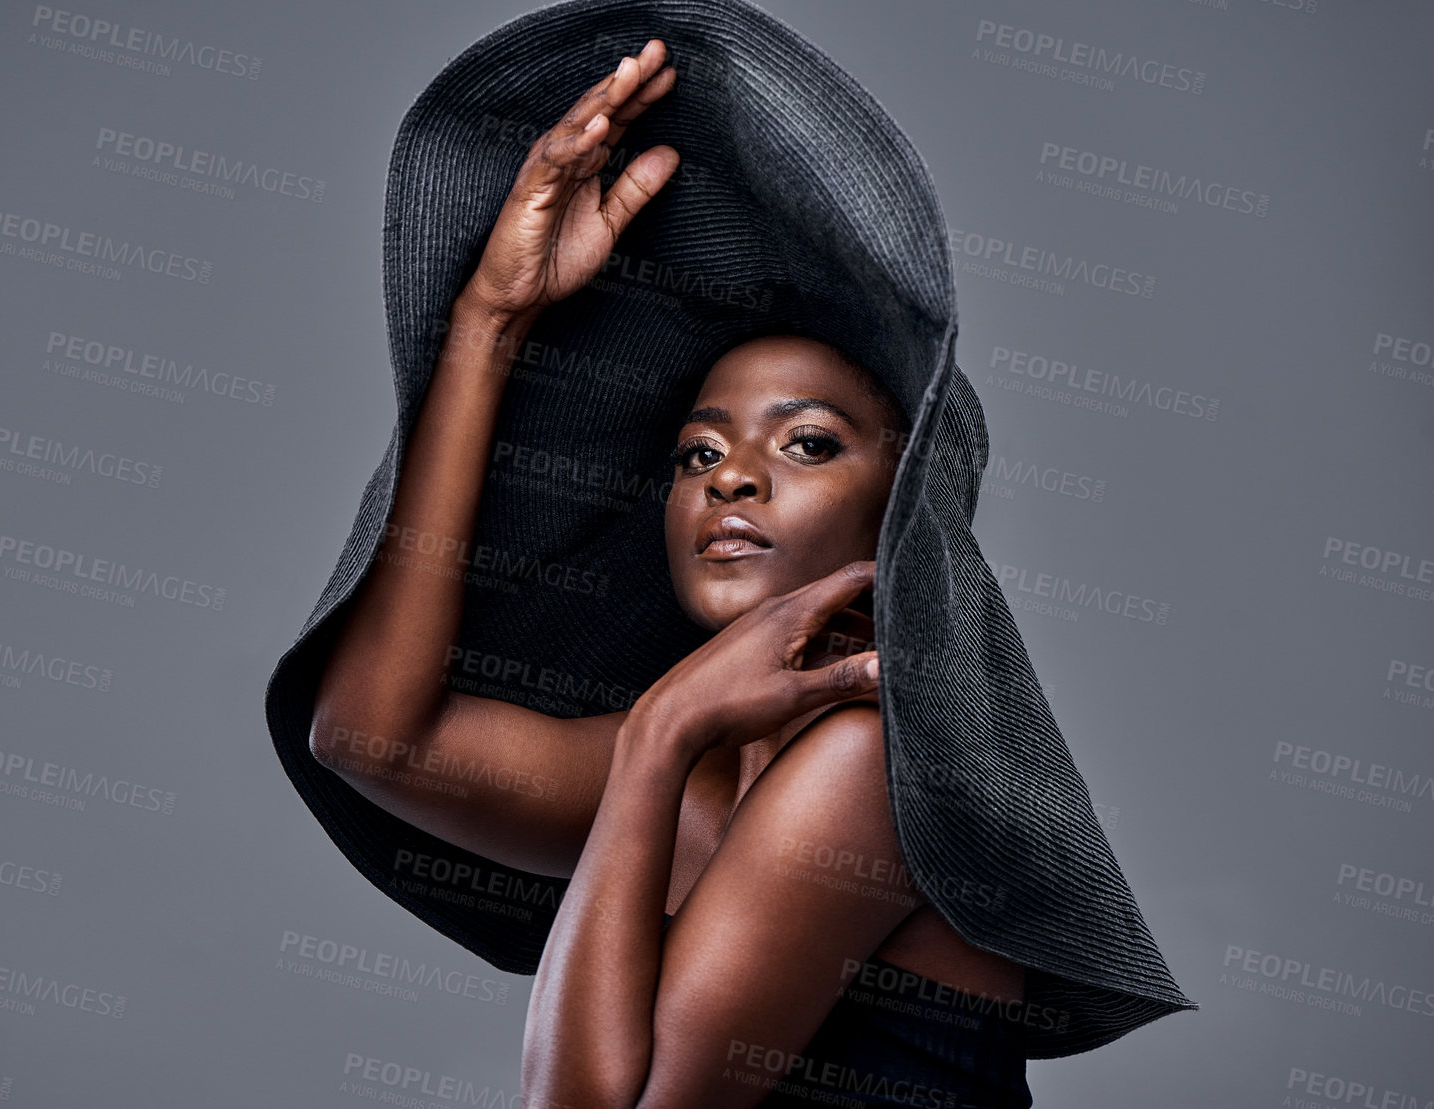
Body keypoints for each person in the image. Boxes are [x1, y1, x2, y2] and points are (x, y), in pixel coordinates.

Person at [309, 39, 1035, 1109]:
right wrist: (490, 320)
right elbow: (370, 736)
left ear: (901, 515)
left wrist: (656, 731)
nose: (731, 476)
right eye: (698, 454)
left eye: (809, 442)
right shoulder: (706, 767)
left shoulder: (871, 761)